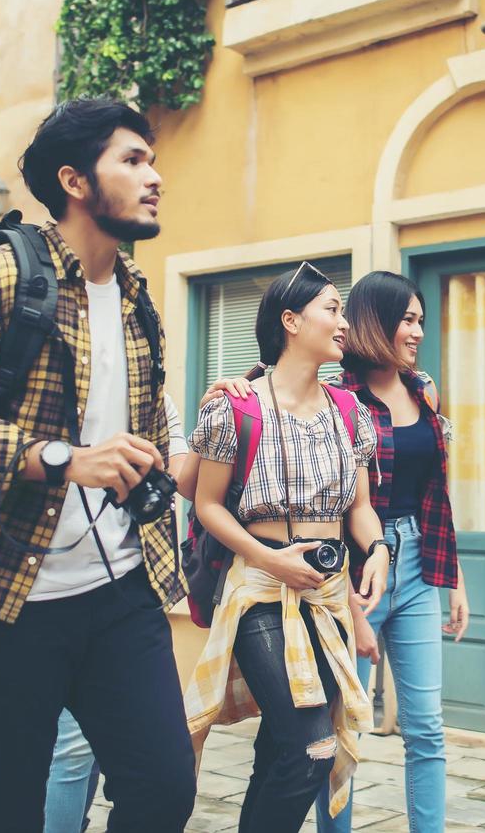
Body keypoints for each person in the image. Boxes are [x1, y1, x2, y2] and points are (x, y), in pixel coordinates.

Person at [0, 99, 195, 832]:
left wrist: (177, 461)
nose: (154, 176)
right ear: (75, 180)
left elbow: (145, 429)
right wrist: (60, 460)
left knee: (162, 790)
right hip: (4, 597)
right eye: (132, 159)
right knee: (7, 812)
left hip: (122, 590)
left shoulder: (134, 299)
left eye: (150, 159)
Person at [183, 261, 392, 832]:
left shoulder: (350, 413)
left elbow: (360, 508)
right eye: (332, 309)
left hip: (325, 593)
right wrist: (268, 556)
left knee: (280, 748)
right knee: (309, 749)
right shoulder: (235, 405)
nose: (344, 322)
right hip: (259, 589)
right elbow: (207, 504)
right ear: (291, 321)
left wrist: (376, 551)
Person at [313, 270, 467, 832]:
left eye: (421, 321)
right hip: (354, 573)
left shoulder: (424, 389)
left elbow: (438, 491)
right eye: (408, 319)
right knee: (341, 727)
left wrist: (455, 580)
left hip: (422, 563)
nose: (418, 332)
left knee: (426, 726)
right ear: (376, 320)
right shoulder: (335, 398)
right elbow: (332, 508)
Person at [43, 393, 196, 833]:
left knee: (157, 780)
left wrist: (213, 419)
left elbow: (180, 476)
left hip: (127, 590)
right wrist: (69, 460)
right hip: (41, 591)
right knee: (70, 752)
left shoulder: (150, 383)